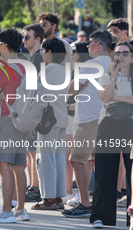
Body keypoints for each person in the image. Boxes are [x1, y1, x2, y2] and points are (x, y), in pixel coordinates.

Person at [63, 30, 112, 217]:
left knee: (75, 160)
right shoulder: (113, 63)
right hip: (104, 118)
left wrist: (79, 84)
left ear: (98, 45)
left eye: (90, 43)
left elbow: (71, 89)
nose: (87, 46)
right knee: (94, 161)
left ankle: (85, 203)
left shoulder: (92, 64)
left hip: (89, 119)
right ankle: (96, 203)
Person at [0, 29, 29, 223]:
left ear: (3, 46)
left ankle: (6, 211)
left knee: (4, 165)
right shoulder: (27, 67)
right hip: (23, 120)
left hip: (6, 118)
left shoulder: (4, 68)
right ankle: (21, 210)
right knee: (19, 165)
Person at [90, 41, 133, 228]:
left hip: (130, 124)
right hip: (109, 124)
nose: (121, 56)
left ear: (132, 57)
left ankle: (131, 218)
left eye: (125, 53)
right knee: (104, 171)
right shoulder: (106, 76)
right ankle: (101, 217)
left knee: (132, 173)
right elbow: (105, 98)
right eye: (117, 53)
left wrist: (117, 97)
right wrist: (113, 78)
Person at [29, 38, 68, 210]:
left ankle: (49, 199)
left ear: (50, 52)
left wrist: (31, 120)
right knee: (58, 159)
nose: (42, 54)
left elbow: (39, 98)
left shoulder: (48, 70)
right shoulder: (64, 70)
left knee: (45, 160)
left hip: (47, 120)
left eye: (43, 51)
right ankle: (58, 198)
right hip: (61, 118)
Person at [65, 41, 92, 205]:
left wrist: (68, 104)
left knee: (84, 159)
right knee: (70, 157)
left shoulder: (86, 71)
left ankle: (84, 195)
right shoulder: (74, 70)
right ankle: (73, 193)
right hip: (70, 118)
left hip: (81, 118)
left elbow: (84, 98)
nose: (70, 53)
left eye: (73, 50)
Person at [22, 23, 45, 202]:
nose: (24, 40)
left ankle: (35, 188)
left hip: (34, 111)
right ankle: (32, 185)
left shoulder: (37, 58)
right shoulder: (33, 58)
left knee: (33, 151)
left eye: (26, 37)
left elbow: (34, 90)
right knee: (30, 152)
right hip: (32, 110)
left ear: (38, 39)